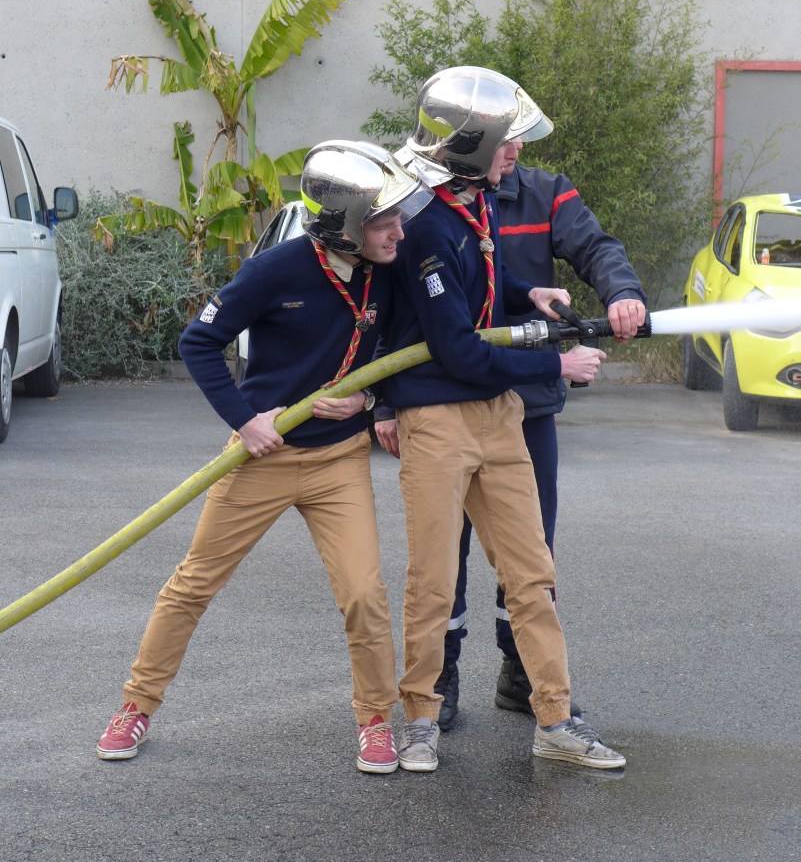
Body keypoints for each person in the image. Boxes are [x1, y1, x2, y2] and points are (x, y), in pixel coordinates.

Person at [96, 140, 433, 773]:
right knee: (193, 585)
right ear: (345, 227)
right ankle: (136, 705)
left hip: (338, 461)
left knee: (365, 594)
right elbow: (199, 342)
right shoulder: (275, 270)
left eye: (397, 218)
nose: (398, 232)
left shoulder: (390, 269)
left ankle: (375, 720)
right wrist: (245, 422)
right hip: (262, 456)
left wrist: (368, 402)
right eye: (383, 221)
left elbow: (405, 347)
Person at [379, 64, 627, 772]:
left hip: (499, 415)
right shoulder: (422, 223)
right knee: (433, 578)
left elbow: (481, 274)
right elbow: (458, 348)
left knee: (532, 575)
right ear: (468, 147)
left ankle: (554, 718)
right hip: (437, 418)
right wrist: (556, 366)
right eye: (505, 140)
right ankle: (420, 719)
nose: (516, 150)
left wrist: (529, 292)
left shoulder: (473, 203)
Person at [433, 142, 647, 731]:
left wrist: (623, 294)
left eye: (519, 133)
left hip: (526, 403)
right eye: (506, 135)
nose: (518, 146)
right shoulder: (432, 198)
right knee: (443, 549)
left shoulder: (546, 192)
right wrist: (383, 401)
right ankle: (440, 674)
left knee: (531, 548)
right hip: (446, 402)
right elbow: (394, 291)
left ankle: (521, 671)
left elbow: (596, 247)